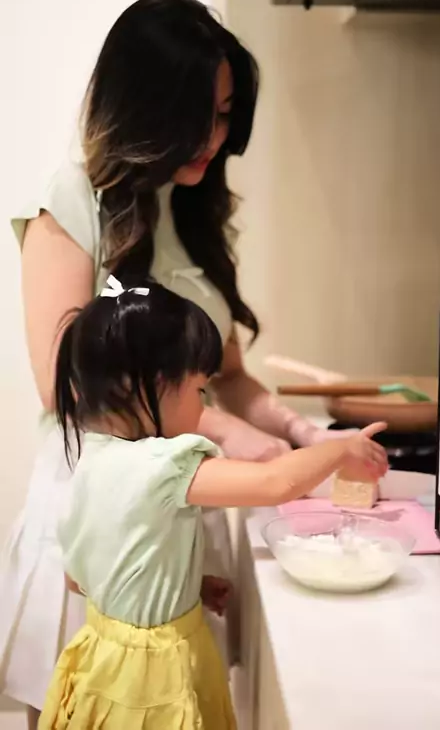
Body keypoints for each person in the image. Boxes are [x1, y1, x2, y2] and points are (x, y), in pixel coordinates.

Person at [0, 0, 357, 727]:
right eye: (196, 116)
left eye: (224, 115)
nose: (212, 138)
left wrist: (301, 433)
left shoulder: (194, 210)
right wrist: (224, 431)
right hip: (98, 526)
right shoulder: (72, 201)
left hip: (178, 521)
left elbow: (229, 377)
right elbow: (68, 388)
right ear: (146, 107)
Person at [38, 276, 387, 729]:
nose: (202, 408)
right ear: (146, 388)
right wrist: (340, 449)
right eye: (198, 390)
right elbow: (274, 482)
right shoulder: (163, 465)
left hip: (104, 662)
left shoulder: (89, 462)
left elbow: (81, 577)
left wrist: (183, 583)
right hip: (155, 677)